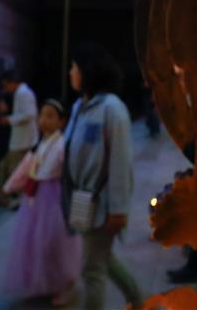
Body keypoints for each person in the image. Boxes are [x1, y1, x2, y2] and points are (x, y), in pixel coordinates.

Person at [62, 43, 143, 310]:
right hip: (82, 200)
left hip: (102, 202)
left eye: (74, 67)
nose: (71, 72)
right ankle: (138, 299)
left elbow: (121, 162)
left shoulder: (112, 109)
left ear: (87, 70)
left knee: (92, 270)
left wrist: (118, 210)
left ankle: (137, 299)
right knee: (100, 258)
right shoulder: (79, 107)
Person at [2, 99, 81, 306]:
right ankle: (42, 283)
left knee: (56, 244)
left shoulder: (62, 144)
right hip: (36, 200)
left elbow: (73, 172)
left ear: (62, 121)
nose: (44, 120)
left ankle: (66, 284)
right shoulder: (41, 143)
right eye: (42, 115)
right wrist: (9, 186)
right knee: (35, 244)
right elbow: (26, 168)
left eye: (50, 116)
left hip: (55, 200)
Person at [0, 71, 38, 208]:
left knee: (16, 170)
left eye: (6, 85)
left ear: (12, 82)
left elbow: (29, 114)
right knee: (8, 167)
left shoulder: (23, 93)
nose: (6, 89)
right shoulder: (21, 92)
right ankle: (4, 196)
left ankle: (15, 198)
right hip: (21, 139)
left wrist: (9, 120)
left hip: (22, 140)